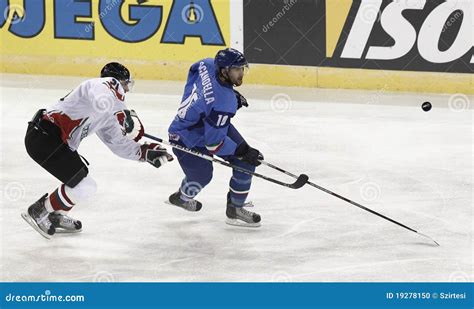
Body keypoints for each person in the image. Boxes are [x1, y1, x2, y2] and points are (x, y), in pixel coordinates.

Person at [22, 62, 173, 239]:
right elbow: (106, 92)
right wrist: (122, 114)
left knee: (81, 179)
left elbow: (117, 142)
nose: (128, 90)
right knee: (84, 185)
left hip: (51, 142)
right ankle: (39, 210)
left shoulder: (106, 113)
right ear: (117, 81)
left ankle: (54, 214)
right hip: (45, 137)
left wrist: (143, 151)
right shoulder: (98, 85)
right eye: (126, 84)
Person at [168, 48, 264, 227]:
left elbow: (193, 70)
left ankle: (235, 209)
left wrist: (209, 101)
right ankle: (182, 198)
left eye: (242, 68)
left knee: (246, 163)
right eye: (236, 69)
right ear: (224, 71)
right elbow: (214, 144)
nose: (241, 73)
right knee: (203, 175)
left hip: (205, 122)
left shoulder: (208, 63)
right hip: (185, 136)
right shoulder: (223, 102)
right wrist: (241, 150)